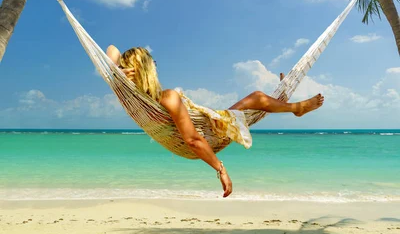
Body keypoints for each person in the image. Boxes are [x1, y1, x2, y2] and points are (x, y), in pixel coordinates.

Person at [106, 45, 324, 198]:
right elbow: (193, 139)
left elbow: (111, 50)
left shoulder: (125, 94)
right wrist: (221, 169)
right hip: (209, 137)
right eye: (153, 63)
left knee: (256, 102)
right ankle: (295, 108)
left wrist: (118, 72)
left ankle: (284, 102)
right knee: (257, 98)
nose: (156, 66)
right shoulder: (167, 97)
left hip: (194, 139)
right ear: (147, 69)